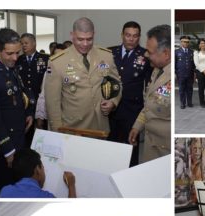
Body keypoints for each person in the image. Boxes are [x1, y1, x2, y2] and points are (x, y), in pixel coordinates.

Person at [45, 17, 122, 135]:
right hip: (73, 128)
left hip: (100, 127)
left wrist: (112, 101)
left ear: (94, 34)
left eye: (89, 39)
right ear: (72, 35)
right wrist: (57, 132)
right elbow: (52, 103)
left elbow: (116, 84)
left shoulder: (106, 56)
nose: (85, 44)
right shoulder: (57, 62)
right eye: (80, 39)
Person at [0, 28, 34, 197]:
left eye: (17, 52)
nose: (14, 57)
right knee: (6, 182)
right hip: (5, 141)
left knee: (17, 180)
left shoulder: (10, 67)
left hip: (19, 135)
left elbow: (18, 95)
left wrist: (27, 112)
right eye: (9, 53)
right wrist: (7, 149)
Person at [108, 21, 152, 167]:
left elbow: (150, 85)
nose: (131, 39)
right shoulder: (110, 53)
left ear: (139, 37)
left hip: (132, 111)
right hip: (110, 111)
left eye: (135, 36)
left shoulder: (146, 55)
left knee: (130, 148)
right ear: (122, 35)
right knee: (110, 147)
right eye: (128, 35)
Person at [129, 24, 171, 163]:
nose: (146, 55)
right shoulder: (157, 70)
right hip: (152, 147)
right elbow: (149, 104)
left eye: (150, 52)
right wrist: (137, 126)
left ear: (166, 54)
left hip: (166, 153)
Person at [0, 148, 76, 198]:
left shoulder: (5, 191)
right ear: (38, 170)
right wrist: (71, 186)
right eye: (43, 168)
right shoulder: (45, 198)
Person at [35, 43, 66, 129]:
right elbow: (43, 95)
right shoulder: (49, 73)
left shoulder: (73, 72)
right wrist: (40, 116)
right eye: (56, 56)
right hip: (54, 116)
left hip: (70, 117)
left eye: (61, 55)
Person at [175, 35, 195, 109]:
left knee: (190, 89)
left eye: (187, 42)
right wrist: (176, 73)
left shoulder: (192, 52)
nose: (186, 43)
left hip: (190, 74)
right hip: (181, 74)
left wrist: (194, 73)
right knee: (182, 89)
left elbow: (193, 64)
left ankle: (189, 102)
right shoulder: (176, 52)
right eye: (184, 42)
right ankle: (182, 103)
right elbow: (174, 64)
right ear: (181, 42)